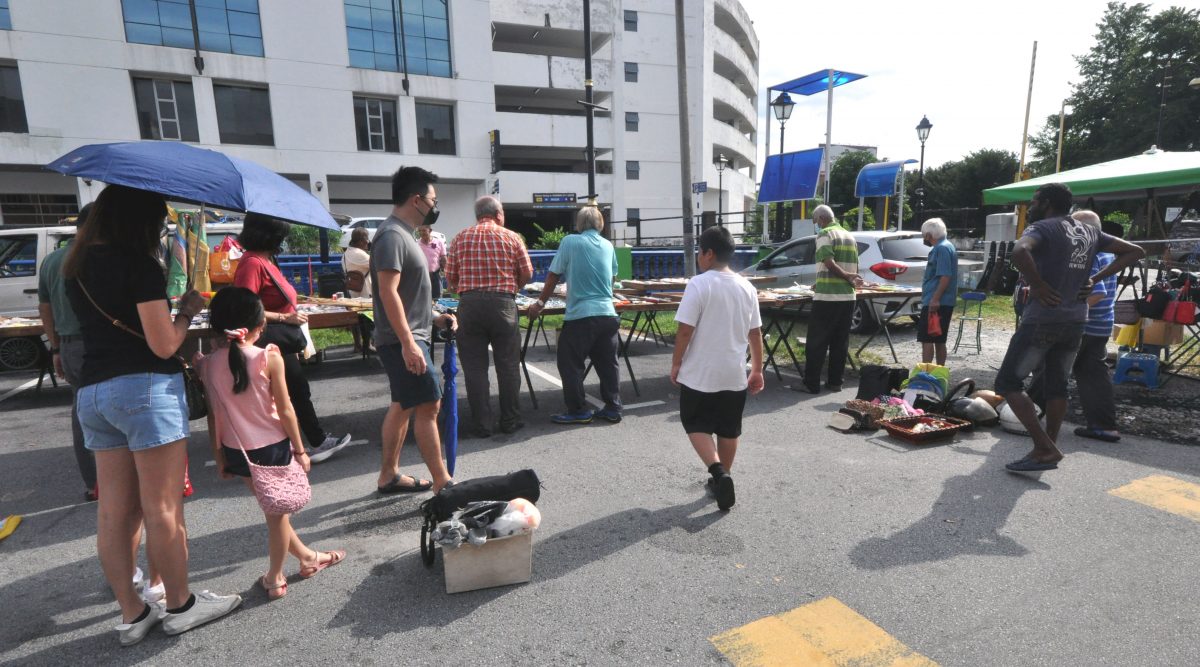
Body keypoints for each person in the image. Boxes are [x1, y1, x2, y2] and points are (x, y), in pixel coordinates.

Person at [64, 184, 241, 645]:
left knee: (113, 511)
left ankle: (132, 612)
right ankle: (181, 604)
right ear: (140, 222)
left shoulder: (75, 266)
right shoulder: (138, 264)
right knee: (162, 505)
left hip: (93, 393)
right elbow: (163, 343)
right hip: (143, 388)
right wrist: (186, 311)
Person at [198, 287, 346, 601]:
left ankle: (307, 557)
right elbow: (287, 409)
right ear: (260, 324)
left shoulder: (208, 364)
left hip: (237, 451)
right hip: (272, 449)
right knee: (277, 516)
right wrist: (302, 449)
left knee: (273, 512)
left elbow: (213, 415)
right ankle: (276, 577)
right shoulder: (268, 357)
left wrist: (219, 456)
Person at [995, 184, 1143, 472]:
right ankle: (1048, 447)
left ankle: (1043, 447)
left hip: (1043, 319)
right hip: (1076, 320)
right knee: (1057, 385)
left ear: (1047, 202)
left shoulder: (1044, 227)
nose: (1031, 205)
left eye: (1035, 200)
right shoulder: (1090, 232)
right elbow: (1134, 251)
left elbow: (1019, 251)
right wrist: (1092, 278)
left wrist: (1037, 285)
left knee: (1007, 383)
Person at [234, 214, 351, 464]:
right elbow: (244, 308)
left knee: (293, 393)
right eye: (280, 236)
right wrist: (283, 318)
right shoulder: (253, 262)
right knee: (289, 395)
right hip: (268, 341)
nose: (283, 241)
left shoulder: (264, 259)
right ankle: (306, 446)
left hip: (277, 340)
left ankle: (304, 444)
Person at [370, 166, 457, 495]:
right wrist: (409, 343)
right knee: (429, 405)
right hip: (402, 340)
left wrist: (435, 317)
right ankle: (442, 482)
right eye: (433, 199)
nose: (435, 206)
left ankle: (389, 475)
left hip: (411, 336)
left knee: (404, 404)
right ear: (417, 199)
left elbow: (406, 294)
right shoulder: (392, 236)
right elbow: (387, 292)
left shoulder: (402, 234)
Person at [670, 226, 765, 511]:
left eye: (700, 251)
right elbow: (756, 333)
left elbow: (685, 330)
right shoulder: (747, 287)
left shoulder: (699, 284)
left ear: (709, 254)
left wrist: (676, 363)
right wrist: (757, 369)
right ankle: (724, 479)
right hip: (734, 373)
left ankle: (718, 473)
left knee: (695, 422)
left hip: (701, 373)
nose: (699, 256)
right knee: (728, 429)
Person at [1029, 211, 1123, 443]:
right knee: (1093, 375)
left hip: (1084, 324)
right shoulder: (1108, 254)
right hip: (1101, 324)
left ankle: (1025, 415)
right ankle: (1103, 426)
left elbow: (1097, 293)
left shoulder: (1088, 253)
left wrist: (1070, 312)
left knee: (1050, 367)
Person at [444, 196, 534, 437]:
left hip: (470, 304)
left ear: (477, 215)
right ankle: (510, 420)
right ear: (498, 214)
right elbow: (528, 272)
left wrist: (463, 287)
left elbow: (450, 277)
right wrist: (513, 287)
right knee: (508, 366)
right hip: (503, 303)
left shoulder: (460, 237)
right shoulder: (512, 236)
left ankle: (483, 424)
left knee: (474, 369)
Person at [527, 206, 622, 425]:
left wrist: (540, 303)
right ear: (600, 224)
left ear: (579, 224)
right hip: (607, 312)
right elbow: (612, 277)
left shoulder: (570, 242)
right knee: (608, 363)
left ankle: (579, 409)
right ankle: (613, 406)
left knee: (569, 363)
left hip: (581, 314)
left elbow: (553, 275)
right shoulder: (608, 245)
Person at [38, 203, 96, 501]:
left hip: (69, 345)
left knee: (82, 412)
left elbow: (44, 309)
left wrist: (56, 348)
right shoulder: (93, 259)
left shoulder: (51, 260)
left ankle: (94, 483)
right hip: (98, 345)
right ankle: (114, 483)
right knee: (105, 413)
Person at [800, 205, 863, 394]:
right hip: (847, 296)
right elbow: (852, 265)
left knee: (816, 342)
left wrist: (846, 276)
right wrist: (847, 278)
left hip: (827, 298)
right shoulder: (849, 236)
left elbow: (828, 261)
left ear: (821, 218)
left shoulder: (825, 234)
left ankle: (811, 383)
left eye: (815, 222)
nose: (816, 226)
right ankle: (835, 382)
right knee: (839, 341)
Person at [918, 218, 958, 366]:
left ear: (929, 234)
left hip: (936, 302)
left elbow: (945, 276)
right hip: (942, 301)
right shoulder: (947, 246)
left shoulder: (941, 248)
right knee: (939, 340)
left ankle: (926, 374)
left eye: (924, 234)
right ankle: (939, 372)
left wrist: (935, 299)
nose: (924, 238)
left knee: (928, 339)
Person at [342, 226, 375, 353]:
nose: (368, 243)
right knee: (368, 321)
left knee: (358, 320)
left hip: (353, 291)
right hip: (365, 293)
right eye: (367, 241)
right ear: (361, 241)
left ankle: (358, 344)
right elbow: (378, 264)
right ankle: (368, 345)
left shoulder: (346, 254)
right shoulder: (360, 255)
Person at [417, 224, 446, 301]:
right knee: (422, 298)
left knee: (437, 299)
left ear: (430, 231)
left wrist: (445, 271)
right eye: (419, 231)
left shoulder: (439, 242)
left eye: (424, 230)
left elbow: (443, 258)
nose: (421, 233)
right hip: (422, 275)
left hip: (435, 275)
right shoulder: (416, 244)